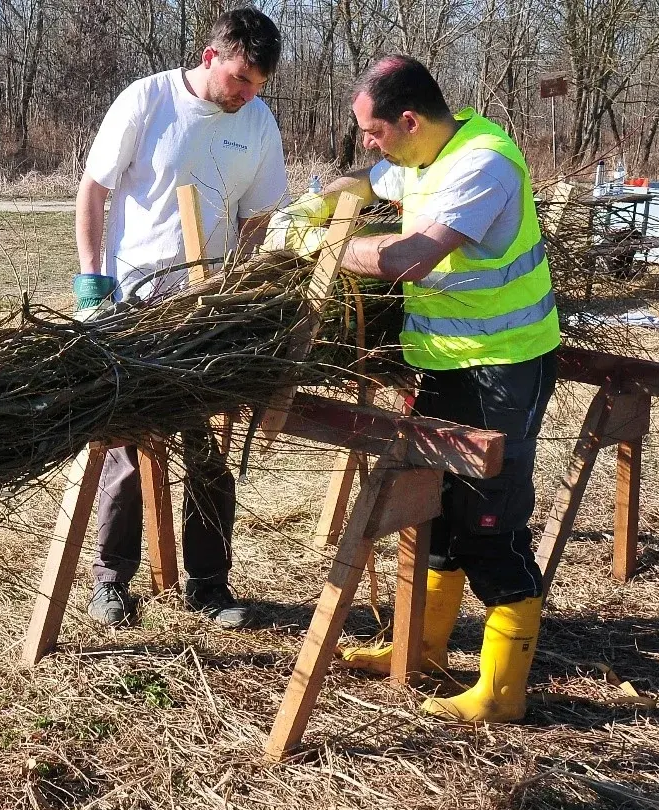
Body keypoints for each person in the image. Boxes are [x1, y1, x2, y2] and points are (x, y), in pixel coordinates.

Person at [272, 54, 560, 722]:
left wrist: (317, 244)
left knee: (491, 522)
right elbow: (365, 183)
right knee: (433, 510)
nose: (370, 144)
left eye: (375, 131)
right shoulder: (417, 157)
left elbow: (407, 259)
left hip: (505, 366)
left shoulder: (483, 162)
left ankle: (501, 692)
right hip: (448, 364)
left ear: (409, 119)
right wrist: (312, 204)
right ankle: (421, 648)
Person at [73, 7, 289, 629]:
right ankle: (111, 580)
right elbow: (95, 188)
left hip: (206, 311)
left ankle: (209, 585)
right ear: (210, 57)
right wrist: (94, 279)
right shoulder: (148, 101)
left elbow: (257, 217)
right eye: (240, 80)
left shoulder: (258, 124)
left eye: (257, 86)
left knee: (208, 449)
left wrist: (236, 292)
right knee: (126, 447)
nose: (246, 94)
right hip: (134, 302)